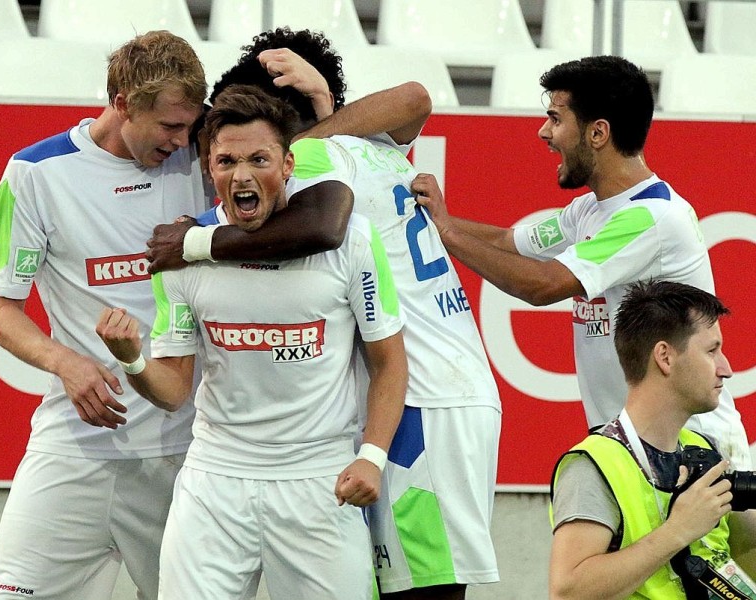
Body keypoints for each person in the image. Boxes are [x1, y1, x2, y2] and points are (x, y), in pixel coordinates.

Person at [148, 27, 503, 600]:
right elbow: (416, 97)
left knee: (423, 591)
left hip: (423, 395)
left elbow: (317, 230)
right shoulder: (372, 146)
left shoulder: (311, 159)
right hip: (448, 384)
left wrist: (194, 243)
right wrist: (326, 110)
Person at [96, 85, 408, 599]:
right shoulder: (179, 254)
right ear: (209, 168)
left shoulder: (352, 242)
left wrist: (371, 456)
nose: (241, 175)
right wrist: (132, 360)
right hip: (215, 485)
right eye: (226, 161)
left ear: (288, 165)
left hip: (319, 483)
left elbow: (389, 363)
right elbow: (174, 391)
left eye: (258, 159)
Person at [413, 55, 750, 468]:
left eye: (555, 119)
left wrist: (446, 233)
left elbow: (543, 285)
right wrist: (430, 219)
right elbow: (508, 242)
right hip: (639, 443)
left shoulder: (651, 217)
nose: (544, 132)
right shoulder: (590, 209)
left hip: (689, 447)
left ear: (598, 133)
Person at [0, 31, 210, 600]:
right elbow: (4, 311)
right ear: (123, 102)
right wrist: (67, 363)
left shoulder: (207, 161)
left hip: (184, 451)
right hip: (73, 443)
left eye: (190, 124)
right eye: (169, 127)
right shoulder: (33, 173)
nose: (184, 140)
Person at [549, 280, 756, 599]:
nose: (725, 369)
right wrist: (677, 531)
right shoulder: (594, 466)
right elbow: (568, 592)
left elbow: (739, 558)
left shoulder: (702, 452)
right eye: (712, 351)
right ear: (665, 357)